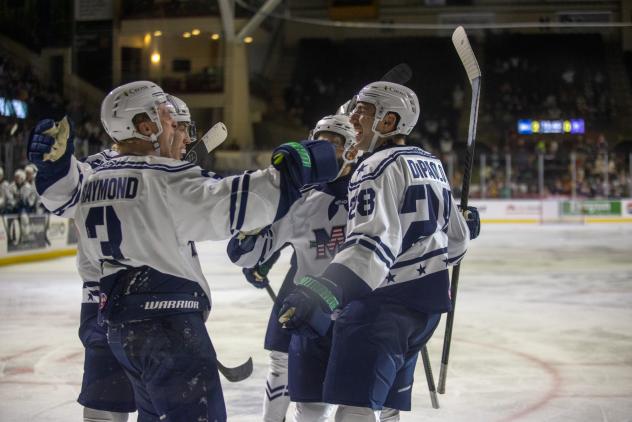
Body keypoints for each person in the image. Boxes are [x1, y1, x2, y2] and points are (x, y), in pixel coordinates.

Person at [27, 80, 338, 422]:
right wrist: (298, 167)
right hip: (166, 322)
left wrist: (54, 169)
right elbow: (238, 202)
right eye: (175, 124)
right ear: (146, 125)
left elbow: (64, 194)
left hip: (111, 316)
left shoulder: (96, 177)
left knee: (110, 411)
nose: (186, 137)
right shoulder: (164, 178)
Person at [279, 82, 480, 421]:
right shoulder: (431, 163)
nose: (352, 117)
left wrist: (325, 291)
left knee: (353, 410)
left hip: (382, 309)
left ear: (388, 122)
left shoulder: (373, 168)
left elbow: (371, 244)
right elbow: (457, 242)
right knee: (385, 409)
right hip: (426, 309)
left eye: (363, 111)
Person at [228, 114, 358, 422]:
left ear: (353, 149)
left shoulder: (370, 191)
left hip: (357, 310)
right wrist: (254, 247)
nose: (325, 150)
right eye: (320, 141)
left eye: (335, 144)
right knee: (284, 367)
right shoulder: (303, 197)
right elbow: (274, 236)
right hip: (307, 300)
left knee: (360, 399)